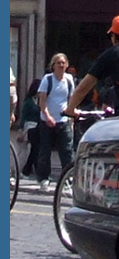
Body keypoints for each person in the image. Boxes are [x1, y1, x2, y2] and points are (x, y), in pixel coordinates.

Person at [36, 53, 76, 193]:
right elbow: (42, 100)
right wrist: (47, 116)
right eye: (58, 63)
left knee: (67, 151)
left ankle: (68, 180)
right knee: (45, 150)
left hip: (63, 120)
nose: (61, 65)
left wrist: (71, 117)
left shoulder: (69, 80)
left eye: (63, 63)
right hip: (47, 120)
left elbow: (71, 99)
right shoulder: (48, 80)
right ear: (53, 65)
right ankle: (43, 178)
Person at [17, 77, 41, 178]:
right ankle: (28, 170)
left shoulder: (39, 100)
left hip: (38, 126)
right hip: (30, 126)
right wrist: (21, 129)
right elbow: (23, 116)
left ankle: (30, 170)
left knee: (35, 149)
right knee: (35, 148)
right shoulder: (29, 101)